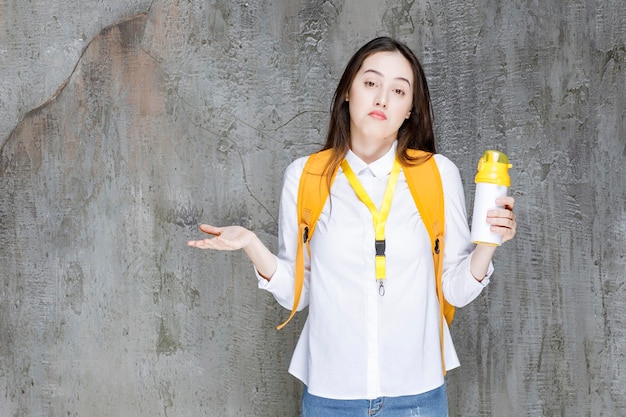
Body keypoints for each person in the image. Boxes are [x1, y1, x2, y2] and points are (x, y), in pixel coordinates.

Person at [188, 37, 517, 417]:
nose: (382, 99)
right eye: (371, 83)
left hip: (417, 397)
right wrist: (250, 244)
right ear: (348, 90)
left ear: (410, 109)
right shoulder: (306, 175)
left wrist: (489, 242)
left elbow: (454, 290)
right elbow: (300, 291)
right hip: (331, 397)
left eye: (398, 91)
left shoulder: (438, 174)